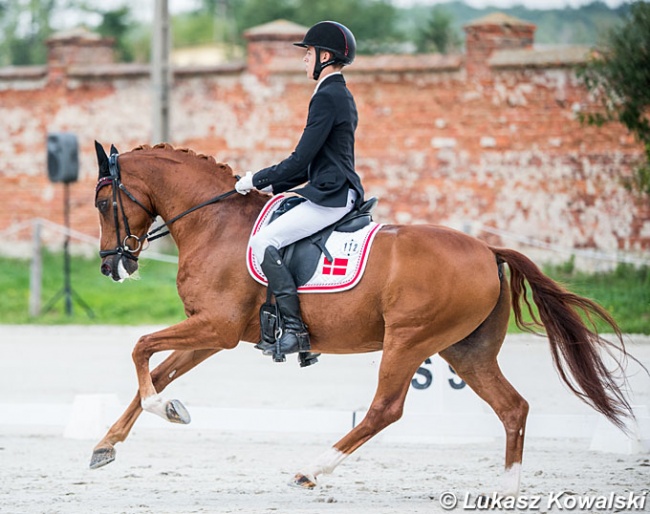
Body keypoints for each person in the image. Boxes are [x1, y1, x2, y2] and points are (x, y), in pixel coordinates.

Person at [235, 20, 365, 359]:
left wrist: (254, 180)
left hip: (332, 193)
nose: (304, 60)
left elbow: (300, 159)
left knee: (264, 241)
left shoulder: (328, 95)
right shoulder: (337, 93)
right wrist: (274, 188)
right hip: (332, 187)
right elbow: (311, 165)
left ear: (324, 55)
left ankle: (294, 330)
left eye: (308, 53)